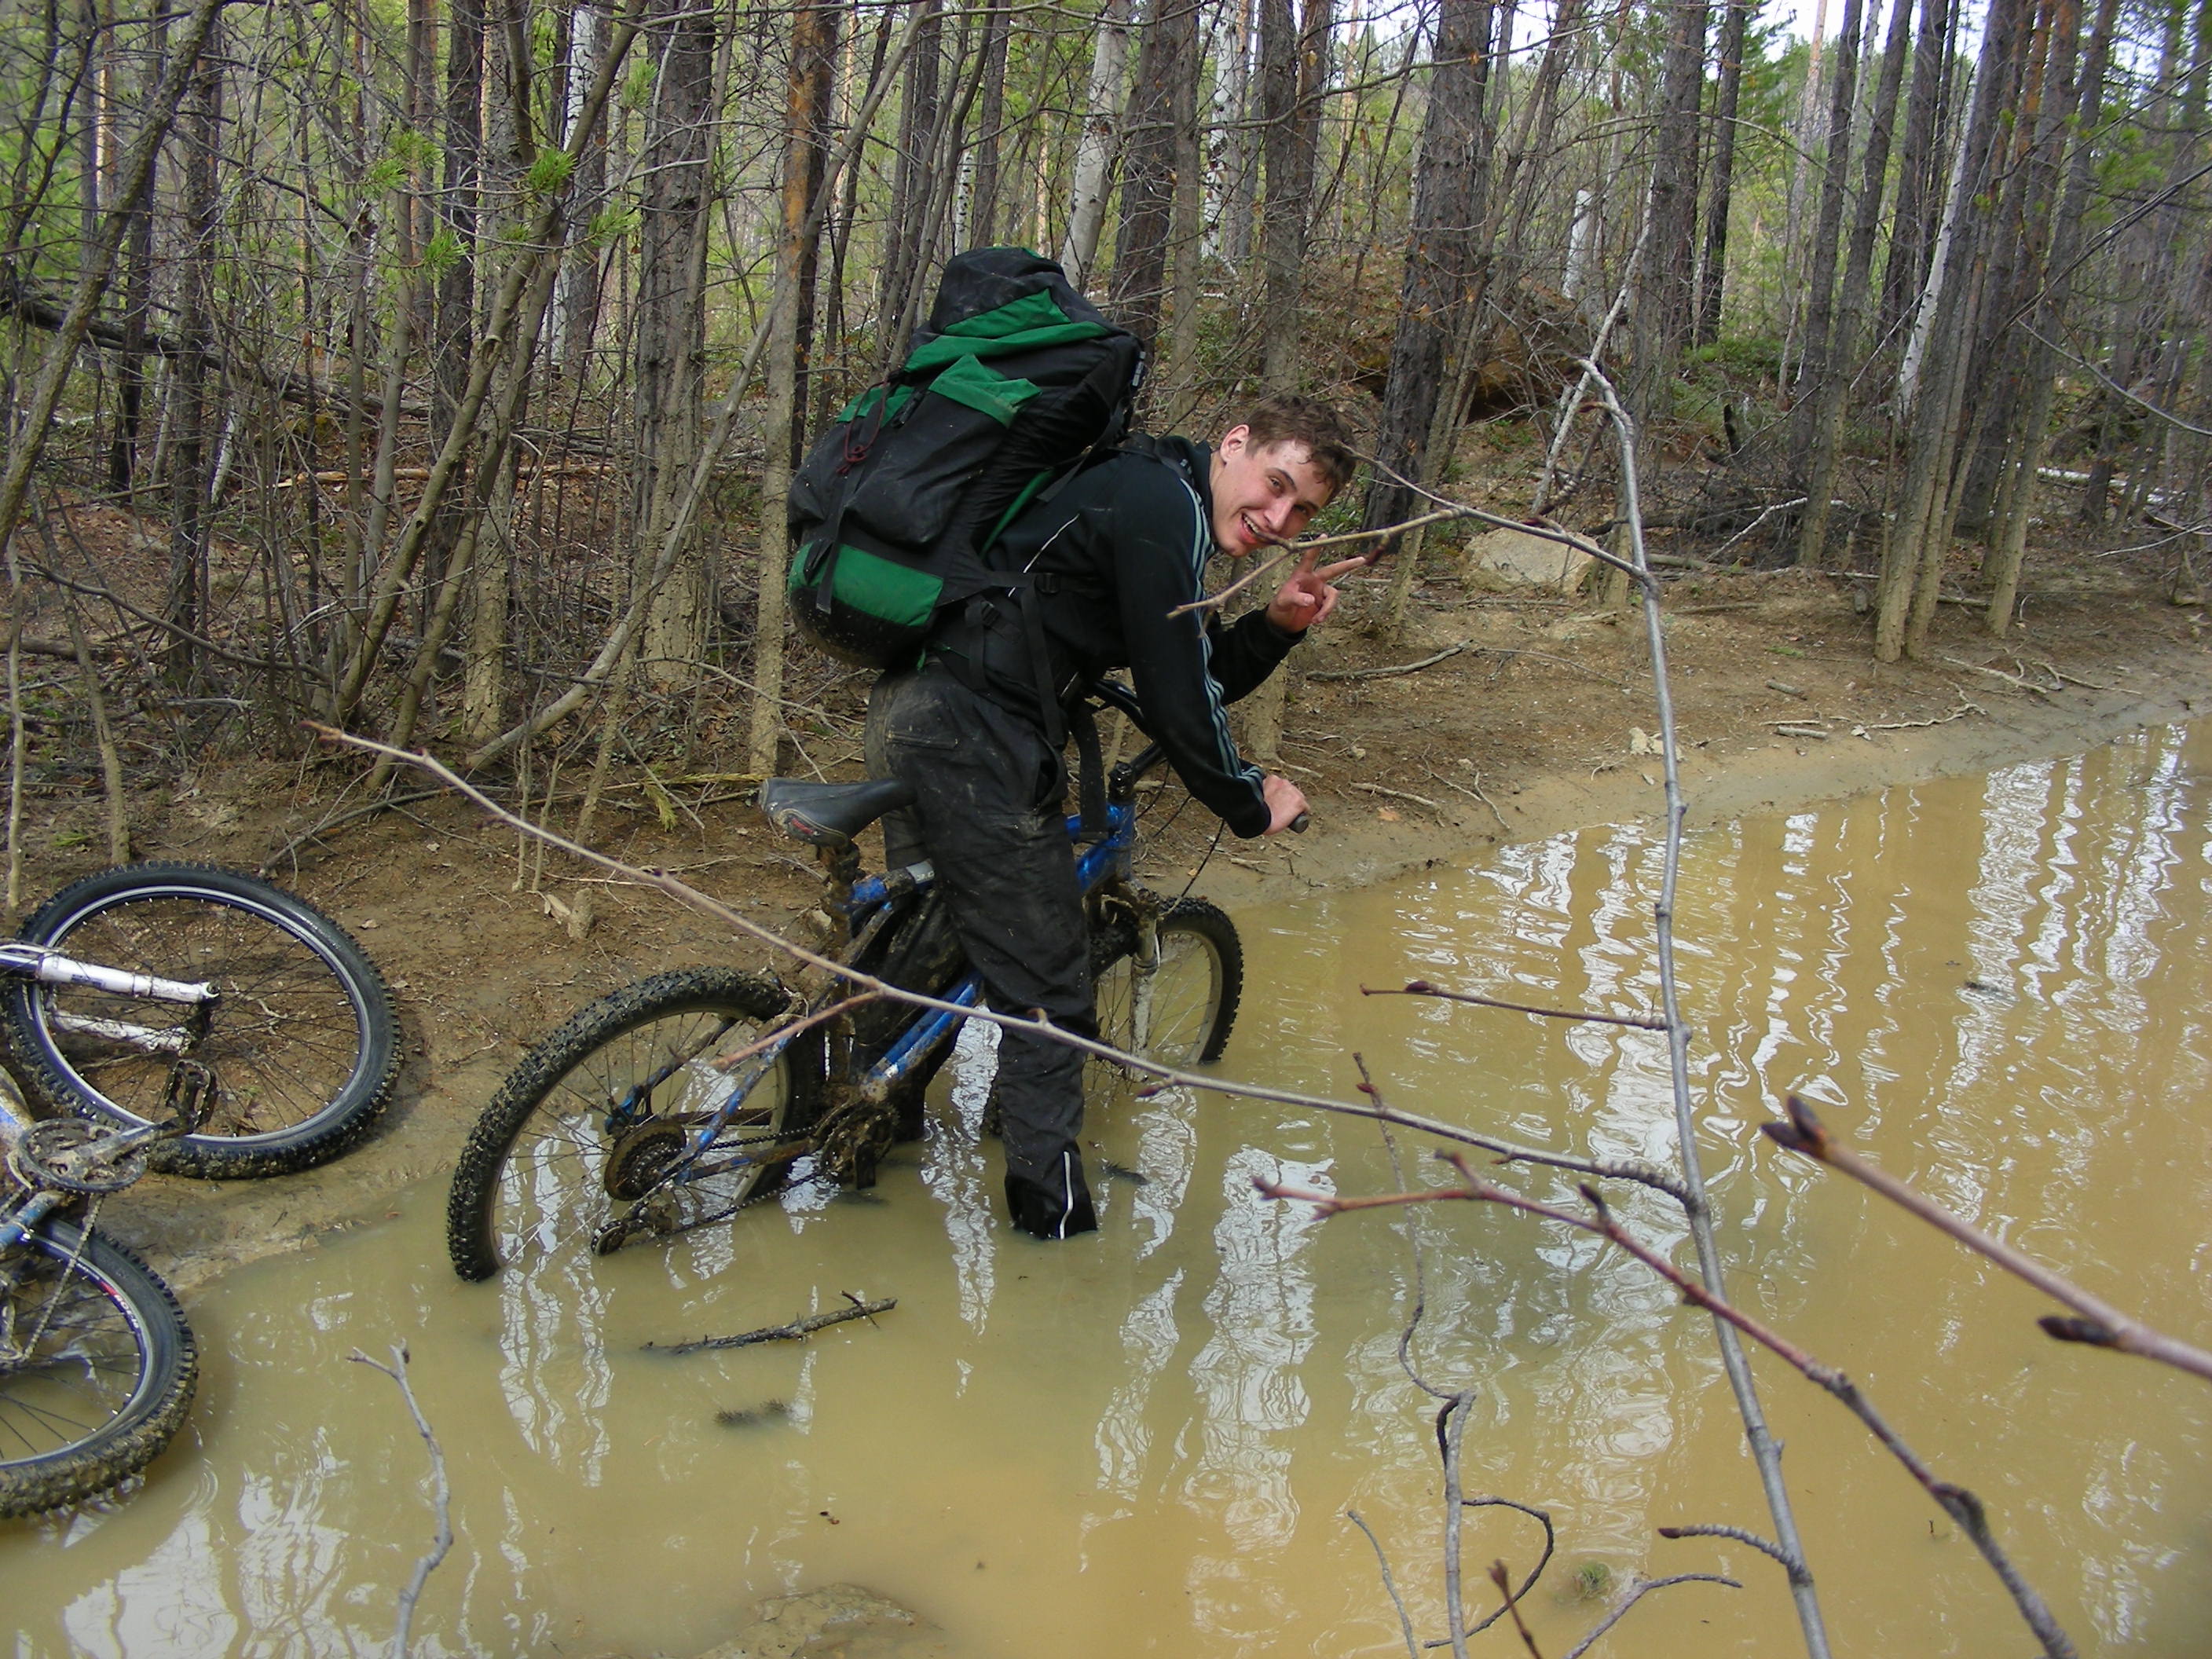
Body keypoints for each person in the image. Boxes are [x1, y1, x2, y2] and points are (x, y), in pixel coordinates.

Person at [863, 392, 1362, 1239]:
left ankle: (860, 1140)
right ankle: (1053, 1247)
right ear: (1234, 443)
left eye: (1302, 510)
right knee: (1050, 993)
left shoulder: (1151, 494)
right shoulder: (1159, 505)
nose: (1278, 517)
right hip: (974, 740)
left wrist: (1275, 625)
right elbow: (1177, 701)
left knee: (935, 938)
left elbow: (1186, 669)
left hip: (921, 713)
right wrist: (1249, 801)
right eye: (1274, 484)